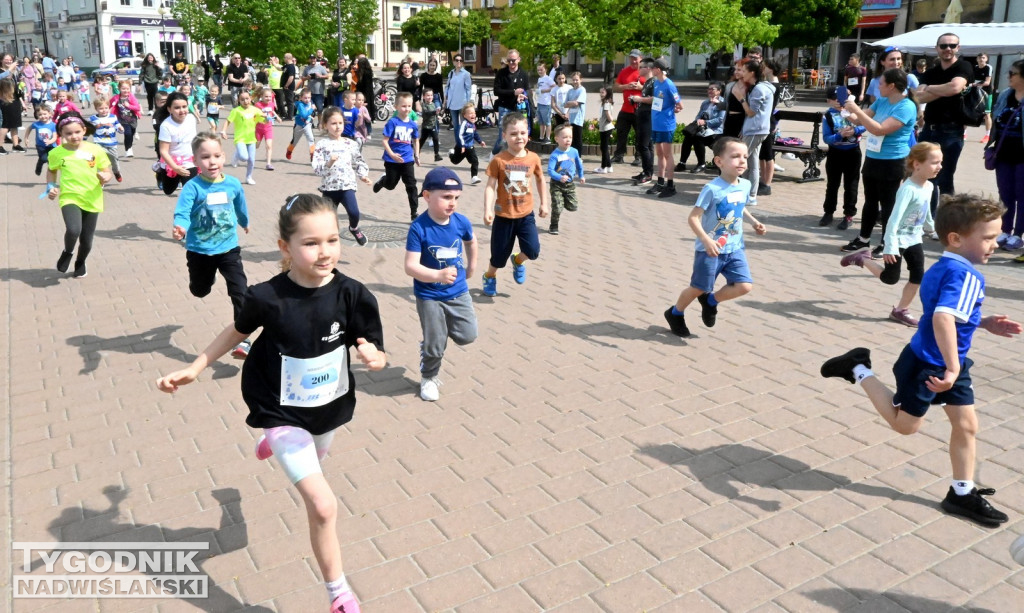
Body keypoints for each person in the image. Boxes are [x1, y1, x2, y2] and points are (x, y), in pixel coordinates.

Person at [157, 193, 386, 613]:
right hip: (277, 409)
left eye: (332, 240)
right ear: (285, 248)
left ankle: (263, 463)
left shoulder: (353, 293)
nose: (325, 252)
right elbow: (236, 330)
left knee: (316, 457)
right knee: (322, 504)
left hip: (327, 409)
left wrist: (375, 356)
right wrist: (195, 366)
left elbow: (370, 340)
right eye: (312, 243)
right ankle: (338, 593)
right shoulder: (267, 296)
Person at [821, 194, 1021, 527]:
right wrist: (953, 366)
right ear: (956, 238)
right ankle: (857, 368)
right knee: (906, 426)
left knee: (967, 425)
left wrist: (982, 322)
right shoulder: (968, 276)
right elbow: (942, 318)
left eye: (996, 237)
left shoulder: (945, 265)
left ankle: (961, 492)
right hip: (931, 366)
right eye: (987, 238)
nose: (995, 244)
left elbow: (948, 314)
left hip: (944, 363)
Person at [663, 137, 767, 337]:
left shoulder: (745, 185)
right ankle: (675, 313)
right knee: (698, 288)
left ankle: (711, 301)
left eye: (745, 156)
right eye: (735, 156)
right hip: (710, 250)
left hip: (735, 247)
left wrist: (754, 222)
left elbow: (739, 207)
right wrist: (706, 240)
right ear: (719, 161)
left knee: (744, 286)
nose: (742, 161)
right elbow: (693, 218)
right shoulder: (712, 189)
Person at [840, 142, 942, 326]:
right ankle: (863, 258)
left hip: (914, 238)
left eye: (940, 162)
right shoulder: (907, 190)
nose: (939, 167)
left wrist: (931, 227)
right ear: (917, 164)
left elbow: (926, 209)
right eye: (934, 162)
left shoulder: (929, 186)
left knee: (918, 275)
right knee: (890, 279)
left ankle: (900, 310)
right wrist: (890, 246)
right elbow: (893, 220)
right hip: (897, 240)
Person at [171, 133, 252, 359]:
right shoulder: (193, 188)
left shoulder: (233, 184)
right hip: (200, 251)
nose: (212, 161)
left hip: (228, 249)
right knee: (200, 290)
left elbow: (240, 206)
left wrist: (244, 222)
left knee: (240, 292)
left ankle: (243, 340)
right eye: (205, 157)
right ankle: (206, 279)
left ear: (223, 156)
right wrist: (180, 227)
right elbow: (183, 212)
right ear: (195, 161)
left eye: (217, 155)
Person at [404, 167, 478, 402]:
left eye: (456, 197)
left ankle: (434, 336)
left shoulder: (460, 221)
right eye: (446, 197)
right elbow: (410, 266)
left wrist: (472, 266)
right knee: (436, 344)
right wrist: (437, 276)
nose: (452, 203)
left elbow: (471, 240)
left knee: (468, 335)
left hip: (458, 291)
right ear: (427, 196)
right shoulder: (419, 227)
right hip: (429, 294)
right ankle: (429, 376)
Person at [840, 69, 918, 257]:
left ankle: (887, 242)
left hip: (893, 161)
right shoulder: (882, 101)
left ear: (892, 86)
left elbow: (880, 129)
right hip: (874, 157)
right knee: (870, 201)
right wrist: (846, 110)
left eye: (880, 84)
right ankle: (863, 240)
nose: (877, 87)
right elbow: (860, 119)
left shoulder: (906, 106)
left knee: (888, 203)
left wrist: (857, 111)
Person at [481, 112, 549, 296]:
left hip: (526, 215)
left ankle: (518, 261)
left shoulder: (533, 158)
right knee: (498, 257)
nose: (518, 137)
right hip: (504, 217)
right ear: (504, 136)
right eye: (513, 134)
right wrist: (487, 209)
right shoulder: (499, 160)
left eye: (522, 133)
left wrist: (544, 203)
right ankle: (489, 275)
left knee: (533, 250)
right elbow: (490, 187)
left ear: (528, 134)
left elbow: (541, 179)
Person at [45, 111, 113, 278]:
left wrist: (106, 176)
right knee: (74, 229)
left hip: (92, 197)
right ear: (61, 134)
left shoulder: (95, 150)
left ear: (84, 130)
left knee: (87, 240)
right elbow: (51, 171)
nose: (73, 136)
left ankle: (80, 261)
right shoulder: (56, 153)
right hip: (70, 196)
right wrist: (51, 186)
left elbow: (107, 171)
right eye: (68, 133)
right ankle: (68, 252)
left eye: (77, 132)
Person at [916, 33, 974, 198]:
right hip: (928, 130)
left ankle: (946, 218)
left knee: (945, 177)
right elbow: (918, 96)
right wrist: (945, 89)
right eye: (943, 46)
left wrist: (930, 88)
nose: (948, 49)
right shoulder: (932, 72)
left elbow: (955, 88)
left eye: (952, 45)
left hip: (951, 131)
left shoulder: (964, 67)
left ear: (958, 48)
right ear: (937, 49)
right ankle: (929, 218)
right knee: (923, 175)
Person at [313, 105, 371, 246]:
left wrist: (362, 175)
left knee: (354, 212)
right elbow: (316, 169)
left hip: (347, 186)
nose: (338, 127)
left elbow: (359, 161)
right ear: (325, 125)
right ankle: (329, 243)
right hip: (329, 188)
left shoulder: (350, 144)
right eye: (333, 123)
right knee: (327, 220)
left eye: (340, 123)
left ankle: (354, 228)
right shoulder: (322, 145)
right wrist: (329, 163)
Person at [990, 59, 1024, 255]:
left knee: (1022, 195)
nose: (1008, 76)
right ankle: (1004, 230)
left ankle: (1018, 234)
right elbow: (996, 119)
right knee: (1005, 195)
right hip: (1003, 153)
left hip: (1022, 155)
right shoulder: (1005, 95)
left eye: (1013, 73)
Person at [820, 86, 865, 230]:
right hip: (835, 152)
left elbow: (865, 125)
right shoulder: (828, 115)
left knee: (851, 185)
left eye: (841, 98)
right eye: (835, 99)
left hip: (853, 152)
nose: (838, 102)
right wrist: (840, 135)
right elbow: (827, 138)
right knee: (832, 184)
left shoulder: (854, 111)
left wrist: (855, 130)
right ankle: (828, 212)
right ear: (829, 101)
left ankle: (849, 214)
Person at [371, 92, 420, 221]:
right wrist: (392, 154)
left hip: (407, 160)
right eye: (404, 106)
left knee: (411, 186)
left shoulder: (413, 124)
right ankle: (383, 181)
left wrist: (417, 155)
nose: (407, 109)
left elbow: (416, 140)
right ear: (396, 106)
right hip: (391, 160)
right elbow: (384, 141)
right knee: (391, 185)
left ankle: (414, 213)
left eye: (409, 106)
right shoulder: (392, 122)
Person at [733, 59, 774, 205]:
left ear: (752, 73)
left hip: (756, 129)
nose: (742, 74)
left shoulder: (759, 89)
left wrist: (741, 98)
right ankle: (750, 196)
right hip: (755, 129)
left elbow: (751, 112)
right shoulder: (762, 87)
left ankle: (741, 193)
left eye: (744, 71)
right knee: (752, 162)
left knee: (740, 160)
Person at [645, 59, 683, 199]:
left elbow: (680, 104)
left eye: (653, 68)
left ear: (658, 69)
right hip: (656, 122)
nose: (651, 70)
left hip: (666, 124)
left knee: (667, 154)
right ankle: (660, 182)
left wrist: (673, 110)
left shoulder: (669, 84)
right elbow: (656, 100)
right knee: (659, 153)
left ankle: (670, 185)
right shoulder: (656, 83)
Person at [675, 81, 726, 174]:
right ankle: (682, 163)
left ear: (719, 91)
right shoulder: (705, 103)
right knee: (688, 137)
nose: (709, 91)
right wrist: (698, 120)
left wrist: (706, 122)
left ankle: (701, 164)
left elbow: (721, 119)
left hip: (716, 131)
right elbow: (699, 115)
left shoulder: (722, 103)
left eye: (712, 89)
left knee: (698, 138)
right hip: (703, 128)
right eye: (709, 89)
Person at [157, 92, 199, 195]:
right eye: (177, 108)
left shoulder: (191, 119)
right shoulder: (166, 126)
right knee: (168, 190)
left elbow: (195, 140)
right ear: (169, 109)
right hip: (172, 162)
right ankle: (159, 173)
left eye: (184, 106)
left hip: (189, 161)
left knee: (190, 191)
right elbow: (163, 151)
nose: (182, 110)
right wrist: (175, 168)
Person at [546, 123, 585, 236]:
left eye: (570, 137)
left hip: (569, 184)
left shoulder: (574, 151)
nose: (568, 140)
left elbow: (578, 165)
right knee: (557, 208)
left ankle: (561, 201)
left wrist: (581, 175)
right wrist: (559, 177)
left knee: (573, 207)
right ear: (557, 139)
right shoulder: (555, 155)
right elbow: (550, 171)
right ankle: (553, 226)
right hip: (557, 184)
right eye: (564, 137)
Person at [490, 49, 530, 157]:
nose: (511, 63)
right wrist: (513, 92)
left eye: (513, 60)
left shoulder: (523, 74)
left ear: (519, 59)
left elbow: (527, 90)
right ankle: (493, 154)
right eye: (509, 61)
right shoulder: (501, 73)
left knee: (517, 135)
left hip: (518, 108)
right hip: (504, 107)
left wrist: (522, 96)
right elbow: (496, 91)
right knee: (502, 137)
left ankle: (511, 159)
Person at [221, 90, 265, 185]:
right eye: (242, 99)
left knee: (251, 160)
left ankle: (249, 177)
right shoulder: (236, 111)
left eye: (247, 98)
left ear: (250, 98)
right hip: (240, 138)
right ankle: (236, 155)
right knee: (244, 157)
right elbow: (228, 121)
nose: (245, 101)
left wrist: (266, 117)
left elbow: (263, 120)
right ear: (239, 101)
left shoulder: (255, 110)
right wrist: (223, 131)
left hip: (251, 139)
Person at [612, 50, 646, 165]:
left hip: (640, 109)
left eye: (635, 58)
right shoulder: (624, 71)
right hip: (626, 108)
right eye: (631, 58)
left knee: (639, 134)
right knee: (621, 132)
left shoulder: (645, 72)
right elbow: (615, 87)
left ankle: (639, 157)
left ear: (641, 58)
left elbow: (653, 89)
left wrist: (640, 87)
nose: (633, 60)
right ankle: (619, 155)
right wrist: (626, 86)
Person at [629, 58, 656, 186]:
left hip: (648, 116)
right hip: (642, 114)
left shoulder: (654, 82)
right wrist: (636, 100)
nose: (639, 69)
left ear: (649, 68)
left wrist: (639, 99)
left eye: (642, 67)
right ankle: (647, 171)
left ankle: (648, 173)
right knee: (646, 145)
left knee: (643, 145)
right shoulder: (647, 82)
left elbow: (655, 100)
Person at [757, 59, 782, 197]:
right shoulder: (769, 84)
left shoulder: (774, 85)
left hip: (768, 122)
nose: (763, 69)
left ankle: (767, 183)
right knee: (762, 154)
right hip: (766, 121)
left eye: (765, 67)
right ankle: (762, 180)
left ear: (771, 69)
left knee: (768, 154)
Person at [89, 96, 124, 183]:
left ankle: (116, 172)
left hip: (111, 144)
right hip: (99, 143)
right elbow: (88, 128)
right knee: (98, 160)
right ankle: (101, 178)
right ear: (96, 109)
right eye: (101, 108)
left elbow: (117, 125)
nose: (104, 110)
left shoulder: (113, 117)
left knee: (114, 160)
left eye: (106, 108)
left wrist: (120, 128)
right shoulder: (93, 118)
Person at [448, 102, 485, 185]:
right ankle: (451, 154)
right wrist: (462, 145)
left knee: (475, 161)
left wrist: (480, 141)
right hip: (461, 147)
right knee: (455, 161)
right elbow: (460, 135)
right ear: (464, 115)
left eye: (474, 113)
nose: (473, 115)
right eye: (470, 113)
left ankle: (474, 177)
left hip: (470, 147)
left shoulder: (472, 124)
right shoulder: (464, 124)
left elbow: (475, 134)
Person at [25, 105, 57, 176]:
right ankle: (39, 166)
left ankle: (51, 173)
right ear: (37, 115)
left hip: (52, 145)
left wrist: (50, 141)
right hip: (40, 146)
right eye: (40, 115)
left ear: (49, 114)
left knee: (51, 160)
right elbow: (29, 129)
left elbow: (55, 137)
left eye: (45, 114)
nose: (43, 116)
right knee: (44, 159)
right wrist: (26, 138)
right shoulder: (36, 124)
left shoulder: (53, 125)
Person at [445, 54, 472, 135]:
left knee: (464, 125)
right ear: (453, 62)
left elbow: (468, 89)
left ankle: (465, 144)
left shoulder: (466, 74)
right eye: (457, 60)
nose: (459, 62)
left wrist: (468, 103)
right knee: (456, 126)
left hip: (462, 103)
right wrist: (445, 99)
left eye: (460, 60)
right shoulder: (451, 73)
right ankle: (458, 145)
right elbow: (447, 86)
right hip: (452, 103)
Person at [286, 88, 316, 162]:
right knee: (295, 141)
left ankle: (313, 155)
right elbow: (304, 115)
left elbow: (312, 113)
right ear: (301, 98)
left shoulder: (310, 103)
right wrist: (312, 110)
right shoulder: (300, 104)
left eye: (309, 98)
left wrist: (312, 115)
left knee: (311, 139)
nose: (307, 99)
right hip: (299, 125)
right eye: (305, 98)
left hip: (307, 125)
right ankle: (289, 151)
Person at [254, 86, 278, 170]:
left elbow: (272, 110)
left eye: (270, 97)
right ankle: (250, 156)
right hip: (259, 129)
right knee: (256, 145)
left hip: (268, 128)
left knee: (269, 146)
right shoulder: (258, 105)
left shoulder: (271, 104)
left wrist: (277, 117)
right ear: (261, 96)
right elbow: (255, 115)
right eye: (266, 96)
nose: (268, 98)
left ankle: (268, 164)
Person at [0, 77, 24, 154]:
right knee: (5, 126)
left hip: (15, 106)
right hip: (8, 107)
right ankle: (0, 145)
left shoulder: (14, 93)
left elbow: (19, 94)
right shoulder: (3, 97)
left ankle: (15, 145)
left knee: (15, 126)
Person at [563, 72, 586, 152]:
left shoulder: (582, 90)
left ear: (580, 80)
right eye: (573, 80)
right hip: (571, 118)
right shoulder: (570, 91)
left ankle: (578, 157)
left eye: (577, 80)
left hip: (578, 118)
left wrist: (571, 102)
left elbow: (577, 103)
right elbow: (565, 105)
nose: (575, 82)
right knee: (571, 138)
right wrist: (572, 103)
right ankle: (571, 155)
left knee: (578, 139)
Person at [595, 86, 615, 173]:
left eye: (603, 92)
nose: (601, 94)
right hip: (605, 128)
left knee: (604, 148)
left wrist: (611, 119)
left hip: (606, 128)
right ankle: (609, 166)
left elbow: (608, 116)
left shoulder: (606, 103)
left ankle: (603, 167)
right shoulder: (607, 102)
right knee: (604, 148)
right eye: (600, 92)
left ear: (608, 93)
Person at [534, 63, 555, 144]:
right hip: (540, 102)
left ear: (545, 70)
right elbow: (539, 89)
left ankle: (548, 137)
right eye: (538, 70)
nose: (539, 71)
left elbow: (554, 86)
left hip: (546, 103)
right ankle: (541, 137)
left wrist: (544, 91)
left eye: (541, 69)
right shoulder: (540, 79)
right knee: (541, 122)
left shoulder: (548, 78)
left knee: (547, 121)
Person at [418, 88, 441, 161]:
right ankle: (417, 152)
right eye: (428, 95)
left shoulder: (433, 104)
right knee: (422, 140)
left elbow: (434, 114)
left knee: (436, 139)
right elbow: (427, 113)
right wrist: (435, 112)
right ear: (424, 97)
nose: (430, 97)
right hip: (426, 127)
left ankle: (436, 155)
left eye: (431, 95)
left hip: (433, 126)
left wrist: (438, 116)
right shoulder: (424, 105)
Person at [975, 53, 994, 143]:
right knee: (967, 110)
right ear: (977, 59)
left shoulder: (988, 67)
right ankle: (964, 133)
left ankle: (987, 135)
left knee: (987, 114)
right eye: (979, 57)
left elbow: (987, 82)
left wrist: (974, 84)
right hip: (975, 93)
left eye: (983, 58)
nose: (981, 59)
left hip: (986, 93)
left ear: (986, 59)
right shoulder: (975, 68)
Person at [281, 53, 297, 120]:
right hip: (286, 87)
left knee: (290, 101)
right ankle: (289, 115)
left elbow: (291, 77)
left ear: (287, 58)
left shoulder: (291, 67)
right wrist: (273, 63)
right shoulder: (286, 66)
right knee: (287, 101)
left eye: (284, 57)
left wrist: (286, 85)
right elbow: (280, 68)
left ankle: (290, 116)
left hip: (289, 87)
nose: (284, 59)